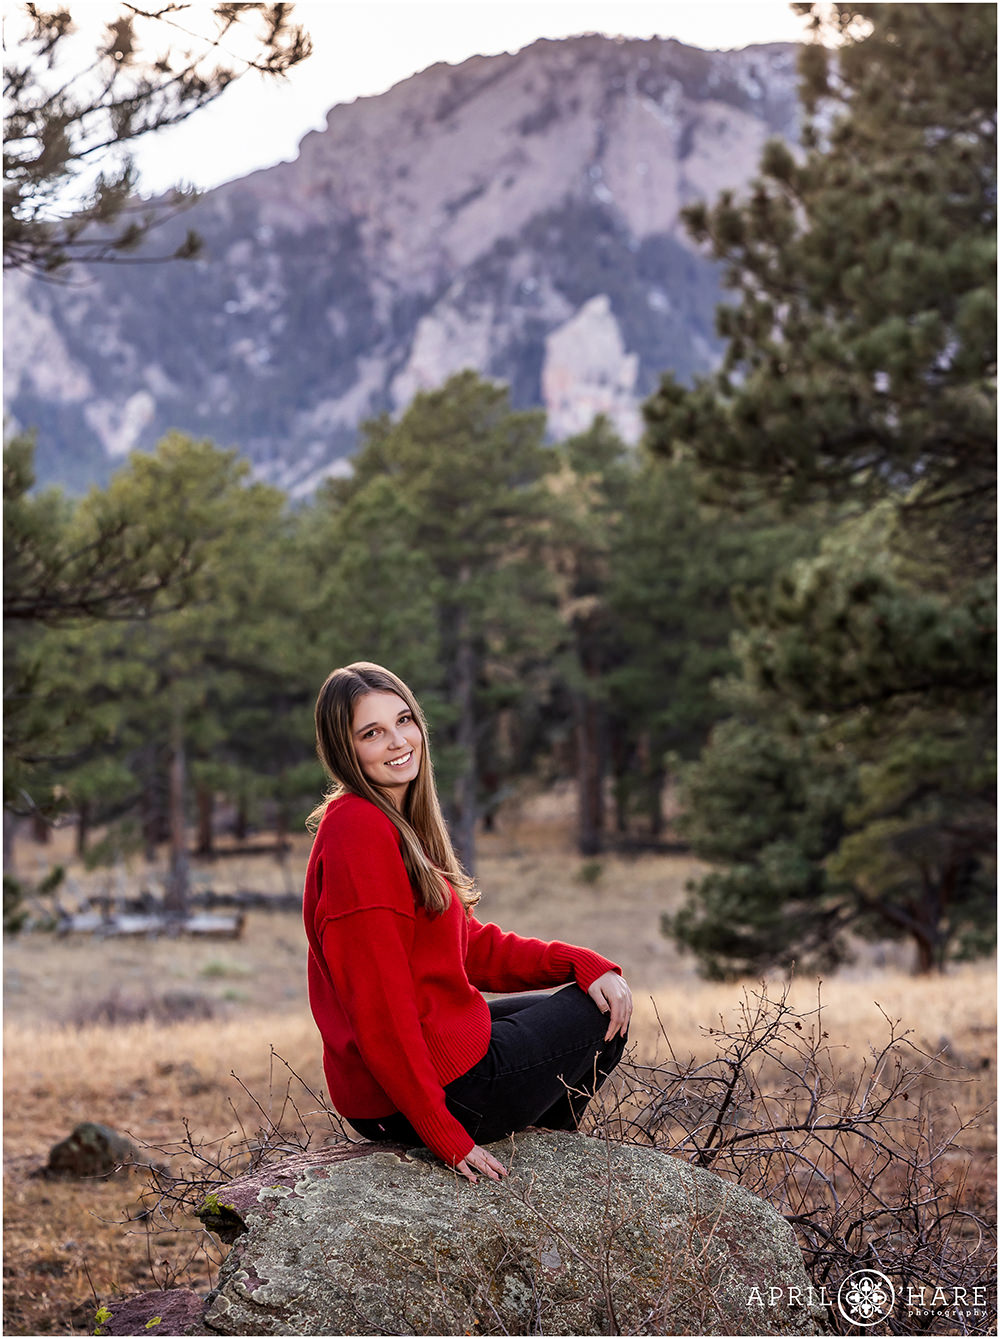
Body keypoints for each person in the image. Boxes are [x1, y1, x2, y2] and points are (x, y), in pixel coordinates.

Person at [303, 661, 632, 1185]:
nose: (397, 741)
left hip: (424, 1074)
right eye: (372, 733)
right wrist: (443, 1132)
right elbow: (378, 1005)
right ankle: (535, 1170)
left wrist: (580, 962)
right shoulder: (358, 832)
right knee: (595, 1020)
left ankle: (540, 1157)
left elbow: (469, 949)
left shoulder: (391, 821)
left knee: (597, 995)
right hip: (429, 1095)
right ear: (346, 751)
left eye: (404, 720)